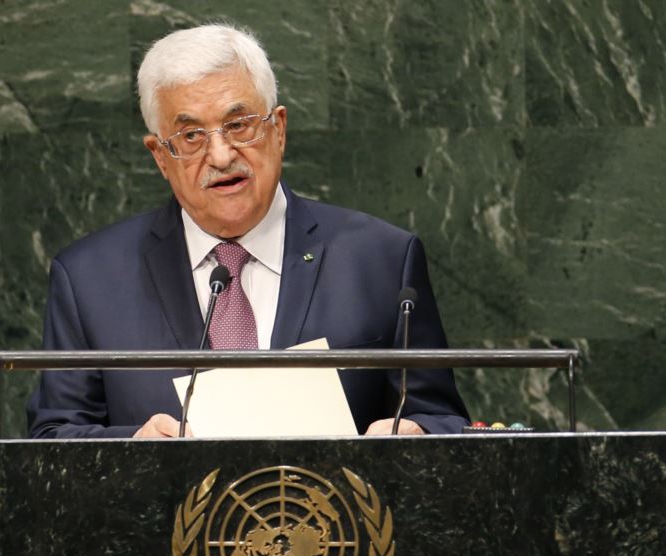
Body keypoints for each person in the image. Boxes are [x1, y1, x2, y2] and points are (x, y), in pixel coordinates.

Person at [27, 24, 469, 439]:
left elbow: (442, 419)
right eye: (191, 136)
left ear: (278, 129)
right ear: (160, 157)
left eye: (238, 125)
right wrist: (137, 446)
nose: (220, 155)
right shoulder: (90, 279)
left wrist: (419, 433)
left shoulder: (382, 260)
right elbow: (53, 436)